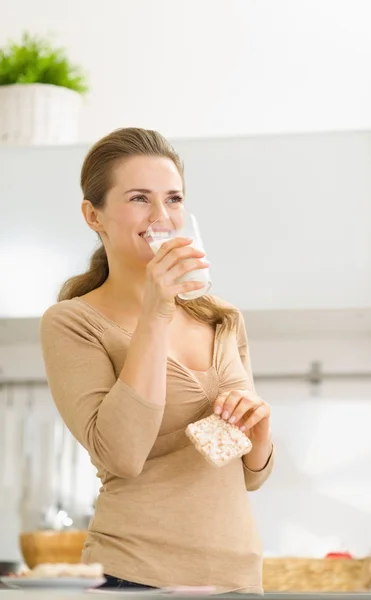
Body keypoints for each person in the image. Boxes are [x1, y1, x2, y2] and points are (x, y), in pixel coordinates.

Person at [40, 127, 274, 594]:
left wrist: (261, 431)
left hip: (238, 576)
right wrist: (156, 309)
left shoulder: (223, 318)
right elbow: (122, 455)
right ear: (94, 215)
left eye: (173, 198)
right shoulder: (73, 323)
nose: (162, 216)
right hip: (133, 575)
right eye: (139, 199)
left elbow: (251, 475)